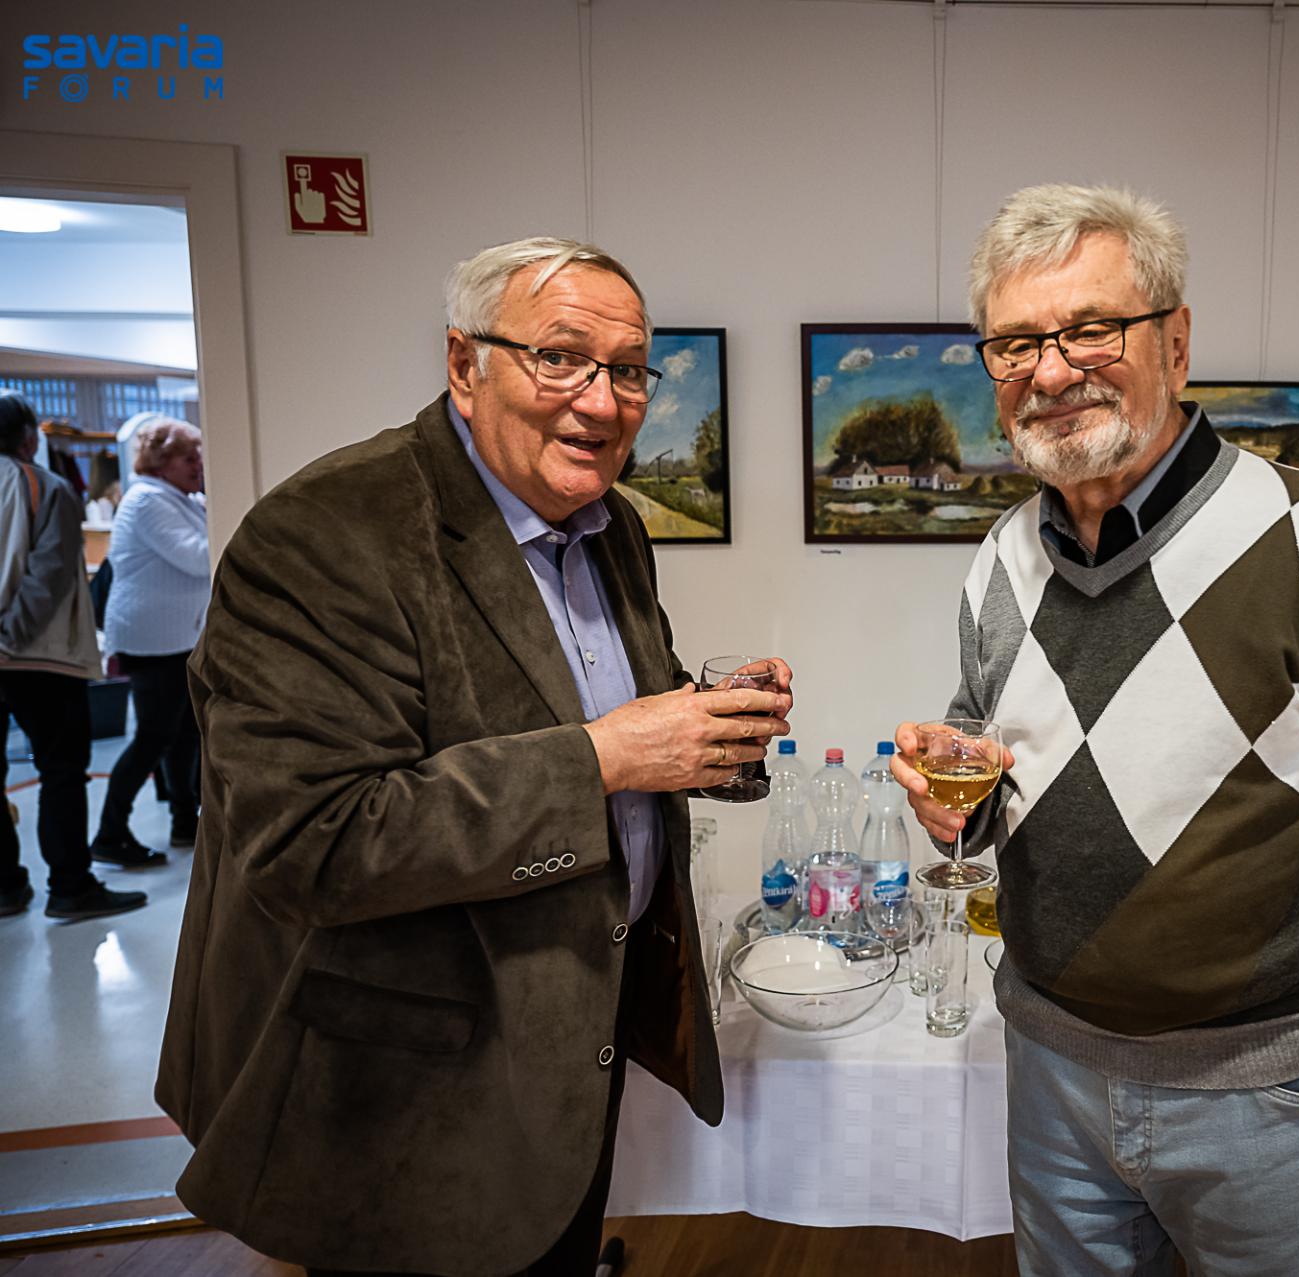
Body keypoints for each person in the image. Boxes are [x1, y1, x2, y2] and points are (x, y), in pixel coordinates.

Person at [893, 184, 1299, 1275]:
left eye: (1091, 329)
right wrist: (952, 791)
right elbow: (1002, 763)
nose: (1050, 372)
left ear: (1177, 341)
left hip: (1277, 1103)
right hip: (1052, 1081)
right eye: (1015, 344)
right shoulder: (998, 557)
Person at [157, 237, 793, 1276]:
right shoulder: (325, 533)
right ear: (465, 363)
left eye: (631, 370)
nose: (603, 400)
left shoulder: (611, 526)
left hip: (565, 1052)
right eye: (561, 357)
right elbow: (312, 843)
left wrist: (706, 728)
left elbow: (600, 704)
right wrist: (607, 756)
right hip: (406, 1094)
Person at [0, 391, 146, 921]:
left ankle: (6, 887)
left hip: (19, 652)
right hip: (38, 658)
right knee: (62, 770)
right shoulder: (45, 487)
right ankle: (70, 887)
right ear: (29, 438)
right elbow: (49, 577)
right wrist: (8, 637)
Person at [91, 415, 210, 867]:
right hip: (151, 640)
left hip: (176, 637)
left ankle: (184, 822)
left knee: (184, 735)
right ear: (160, 462)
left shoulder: (181, 499)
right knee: (154, 738)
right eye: (188, 458)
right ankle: (110, 834)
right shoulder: (146, 501)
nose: (198, 464)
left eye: (198, 456)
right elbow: (199, 557)